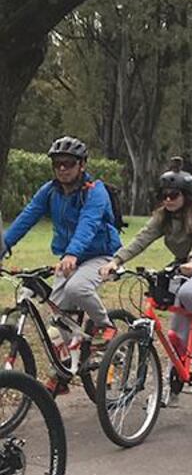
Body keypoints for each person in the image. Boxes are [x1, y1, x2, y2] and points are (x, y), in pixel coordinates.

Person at [101, 161, 192, 361]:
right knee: (176, 337)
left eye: (173, 195)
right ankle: (177, 374)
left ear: (187, 195)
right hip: (181, 268)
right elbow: (142, 239)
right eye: (163, 195)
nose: (167, 199)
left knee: (189, 292)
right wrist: (116, 261)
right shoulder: (163, 217)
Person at [2, 137, 122, 350]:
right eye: (57, 164)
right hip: (68, 258)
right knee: (58, 316)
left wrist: (72, 253)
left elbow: (89, 223)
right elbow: (27, 217)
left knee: (77, 288)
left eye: (69, 163)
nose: (62, 169)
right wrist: (3, 246)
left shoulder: (95, 191)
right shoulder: (50, 191)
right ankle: (70, 367)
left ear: (82, 165)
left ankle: (105, 325)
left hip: (99, 255)